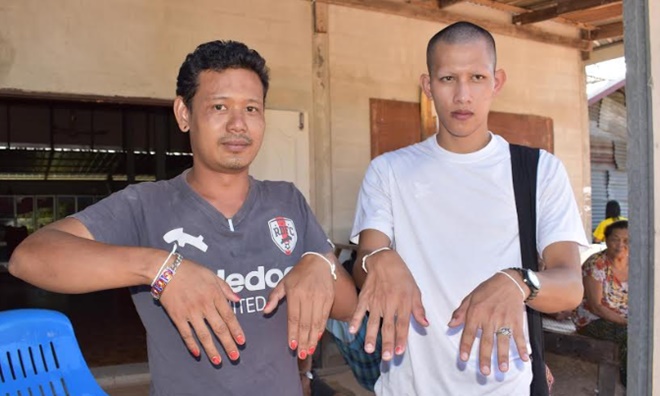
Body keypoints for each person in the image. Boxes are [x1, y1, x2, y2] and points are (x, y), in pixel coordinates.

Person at [8, 40, 357, 396]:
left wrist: (319, 263)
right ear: (184, 114)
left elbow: (348, 307)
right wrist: (160, 268)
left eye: (252, 109)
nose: (238, 124)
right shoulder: (146, 205)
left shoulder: (287, 200)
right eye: (220, 106)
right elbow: (30, 258)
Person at [349, 21, 588, 395]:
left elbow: (571, 286)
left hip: (505, 387)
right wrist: (377, 259)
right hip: (408, 387)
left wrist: (519, 281)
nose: (463, 95)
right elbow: (367, 261)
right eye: (447, 79)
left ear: (497, 82)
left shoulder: (538, 171)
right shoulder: (389, 170)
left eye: (476, 77)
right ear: (428, 86)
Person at [573, 220, 628, 386]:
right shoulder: (596, 264)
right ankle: (630, 384)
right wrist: (627, 322)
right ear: (606, 240)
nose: (620, 245)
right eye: (615, 239)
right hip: (592, 320)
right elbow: (596, 307)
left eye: (626, 240)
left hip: (624, 320)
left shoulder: (637, 263)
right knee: (630, 337)